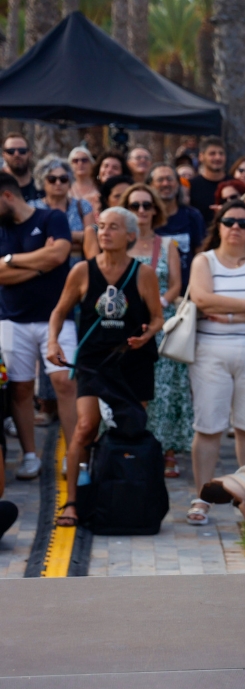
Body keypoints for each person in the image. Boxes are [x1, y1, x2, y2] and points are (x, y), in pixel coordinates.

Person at [46, 206, 162, 526]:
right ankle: (71, 502)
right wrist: (53, 342)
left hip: (133, 361)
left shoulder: (143, 273)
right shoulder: (82, 271)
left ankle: (127, 493)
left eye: (113, 227)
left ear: (130, 236)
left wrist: (147, 335)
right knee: (85, 428)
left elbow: (157, 318)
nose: (105, 233)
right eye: (100, 227)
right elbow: (59, 311)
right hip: (94, 362)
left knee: (131, 429)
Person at [185, 199, 245, 526]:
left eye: (243, 223)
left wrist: (225, 313)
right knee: (208, 426)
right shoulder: (204, 261)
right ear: (219, 225)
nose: (236, 228)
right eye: (229, 221)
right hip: (210, 351)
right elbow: (200, 298)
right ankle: (202, 496)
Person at [0, 171, 76, 479]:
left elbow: (59, 254)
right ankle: (30, 455)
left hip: (56, 317)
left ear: (7, 196)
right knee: (19, 388)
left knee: (65, 383)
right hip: (11, 318)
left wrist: (9, 260)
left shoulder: (51, 218)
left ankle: (75, 453)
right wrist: (40, 264)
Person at [121, 184, 190, 476]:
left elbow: (176, 284)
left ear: (155, 210)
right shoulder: (118, 244)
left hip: (161, 322)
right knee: (127, 387)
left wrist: (156, 303)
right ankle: (129, 444)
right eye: (134, 205)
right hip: (124, 323)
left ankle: (166, 449)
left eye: (146, 205)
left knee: (164, 389)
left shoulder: (167, 246)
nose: (141, 211)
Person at [31, 156, 96, 265]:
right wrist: (76, 238)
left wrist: (57, 239)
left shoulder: (82, 205)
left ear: (69, 182)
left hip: (78, 267)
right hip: (43, 267)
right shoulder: (33, 207)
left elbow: (91, 238)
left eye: (63, 179)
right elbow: (32, 241)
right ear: (43, 181)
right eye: (52, 179)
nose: (58, 183)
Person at [150, 164, 206, 288]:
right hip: (154, 288)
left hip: (187, 290)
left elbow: (200, 253)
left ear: (177, 183)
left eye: (170, 179)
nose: (165, 184)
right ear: (151, 185)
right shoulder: (146, 217)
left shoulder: (193, 216)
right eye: (160, 180)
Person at [189, 137, 228, 227]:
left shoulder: (235, 185)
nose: (218, 157)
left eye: (221, 153)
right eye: (212, 154)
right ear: (201, 157)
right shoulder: (191, 186)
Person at [2, 133, 40, 201]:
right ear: (4, 155)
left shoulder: (42, 188)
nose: (16, 154)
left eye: (22, 151)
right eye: (11, 151)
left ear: (30, 154)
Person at [68, 147, 101, 211]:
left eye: (84, 160)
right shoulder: (66, 187)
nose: (80, 163)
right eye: (75, 161)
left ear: (92, 163)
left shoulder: (100, 185)